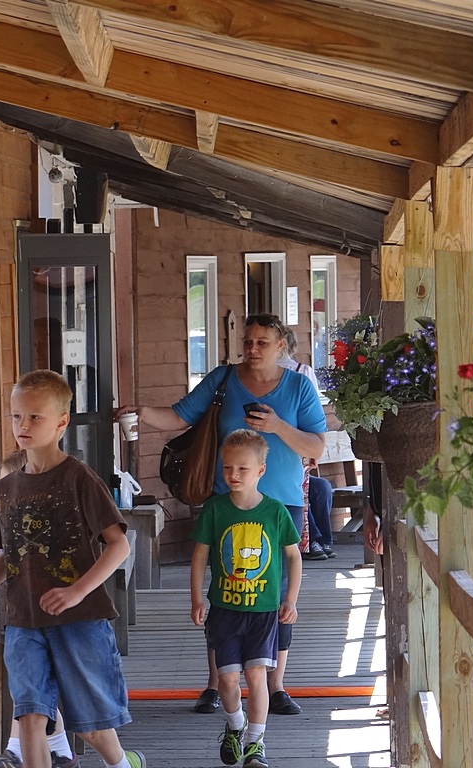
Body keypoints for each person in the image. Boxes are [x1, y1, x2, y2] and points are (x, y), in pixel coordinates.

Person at [117, 313, 326, 716]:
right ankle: (216, 681)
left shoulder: (298, 387)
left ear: (280, 346)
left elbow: (315, 446)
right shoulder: (224, 379)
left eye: (261, 342)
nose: (251, 349)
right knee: (227, 588)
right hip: (226, 500)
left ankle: (275, 683)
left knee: (278, 592)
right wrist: (141, 412)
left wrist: (279, 426)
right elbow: (180, 416)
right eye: (247, 341)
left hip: (281, 500)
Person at [0, 370, 145, 768]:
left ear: (61, 422)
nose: (23, 425)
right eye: (16, 416)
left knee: (90, 725)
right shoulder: (5, 488)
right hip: (23, 620)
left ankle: (123, 764)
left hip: (80, 619)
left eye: (35, 417)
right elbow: (3, 559)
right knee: (31, 715)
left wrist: (77, 591)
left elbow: (118, 545)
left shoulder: (79, 478)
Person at [190, 429, 302, 768]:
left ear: (260, 471)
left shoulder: (275, 512)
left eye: (242, 469)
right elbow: (199, 556)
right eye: (227, 468)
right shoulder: (214, 510)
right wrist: (196, 598)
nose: (233, 476)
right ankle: (235, 727)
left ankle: (255, 743)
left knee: (256, 677)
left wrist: (291, 599)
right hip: (224, 608)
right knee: (226, 679)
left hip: (264, 609)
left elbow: (293, 556)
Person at [0, 450, 78, 768]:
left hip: (48, 617)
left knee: (33, 688)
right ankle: (57, 752)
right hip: (25, 616)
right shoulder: (13, 517)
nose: (4, 493)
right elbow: (0, 559)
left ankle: (23, 751)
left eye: (10, 485)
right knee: (33, 686)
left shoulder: (41, 522)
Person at [277, 325, 335, 561]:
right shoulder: (302, 371)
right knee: (302, 491)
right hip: (298, 442)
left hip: (277, 445)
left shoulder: (260, 373)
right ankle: (318, 542)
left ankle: (316, 541)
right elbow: (313, 411)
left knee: (306, 491)